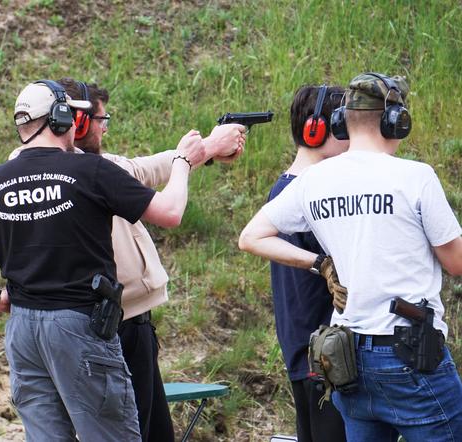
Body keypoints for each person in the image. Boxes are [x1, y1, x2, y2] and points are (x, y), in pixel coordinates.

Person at [0, 79, 206, 441]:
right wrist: (182, 162)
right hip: (80, 327)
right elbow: (170, 212)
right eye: (72, 116)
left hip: (23, 332)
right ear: (59, 119)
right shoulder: (90, 170)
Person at [239, 73, 462, 441]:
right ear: (397, 121)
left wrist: (320, 264)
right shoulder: (416, 177)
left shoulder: (313, 181)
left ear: (343, 122)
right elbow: (455, 263)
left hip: (347, 359)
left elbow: (251, 237)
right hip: (408, 353)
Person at [27, 77, 242, 442]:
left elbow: (148, 167)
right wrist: (199, 152)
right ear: (75, 123)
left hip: (99, 323)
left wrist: (203, 148)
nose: (105, 128)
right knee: (131, 430)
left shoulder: (53, 171)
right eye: (100, 121)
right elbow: (168, 206)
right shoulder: (89, 174)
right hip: (114, 324)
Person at [266, 84, 347, 442]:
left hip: (310, 348)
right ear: (316, 129)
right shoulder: (306, 192)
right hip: (325, 353)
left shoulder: (287, 187)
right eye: (345, 125)